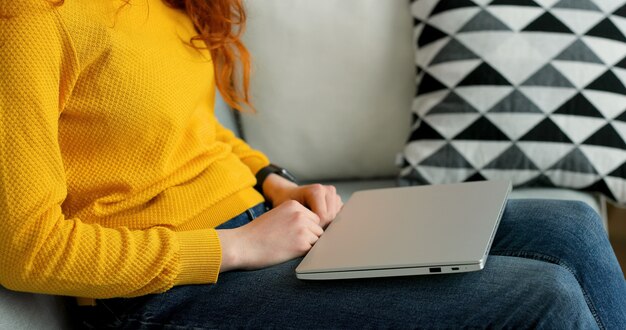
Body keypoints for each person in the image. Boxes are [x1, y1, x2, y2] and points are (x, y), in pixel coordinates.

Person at [1, 0, 625, 328]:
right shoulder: (30, 21)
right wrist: (236, 248)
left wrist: (275, 181)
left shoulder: (165, 3)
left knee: (570, 223)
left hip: (265, 233)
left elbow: (192, 130)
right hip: (165, 295)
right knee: (543, 299)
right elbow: (24, 248)